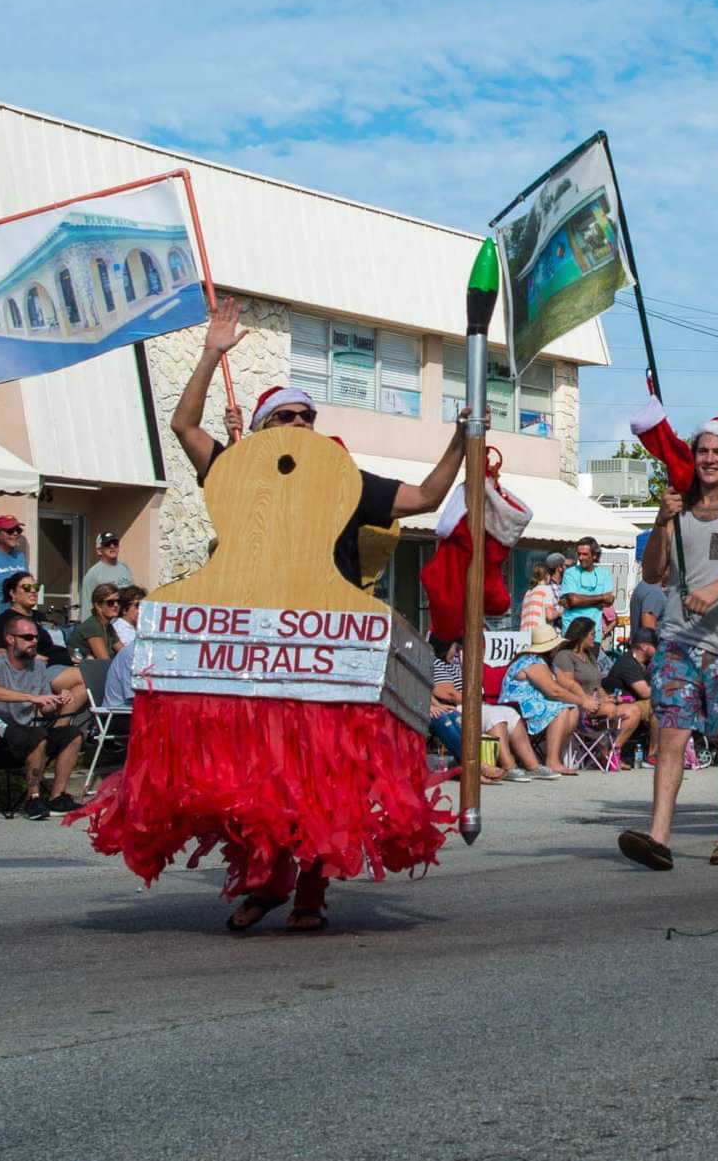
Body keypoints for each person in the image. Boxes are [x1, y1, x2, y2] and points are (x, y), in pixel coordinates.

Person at [163, 298, 482, 932]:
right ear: (263, 430)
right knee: (256, 778)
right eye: (286, 416)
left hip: (326, 652)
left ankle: (309, 889)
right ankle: (266, 880)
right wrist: (211, 352)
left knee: (320, 778)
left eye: (308, 415)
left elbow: (425, 497)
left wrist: (459, 439)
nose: (301, 423)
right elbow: (183, 426)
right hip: (255, 653)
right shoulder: (237, 473)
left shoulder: (342, 480)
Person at [619, 416, 718, 872]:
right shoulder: (679, 507)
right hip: (678, 642)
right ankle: (658, 837)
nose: (708, 459)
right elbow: (653, 572)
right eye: (702, 451)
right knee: (672, 732)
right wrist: (660, 521)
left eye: (717, 452)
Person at [0, 615, 91, 819]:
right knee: (37, 735)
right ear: (10, 639)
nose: (34, 641)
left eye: (36, 637)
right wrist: (31, 697)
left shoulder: (38, 666)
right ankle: (33, 798)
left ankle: (57, 796)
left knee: (72, 734)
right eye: (27, 637)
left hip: (28, 729)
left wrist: (58, 700)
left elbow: (45, 709)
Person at [496, 625, 589, 778]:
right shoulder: (531, 662)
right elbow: (554, 691)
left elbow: (566, 683)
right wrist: (582, 701)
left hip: (536, 703)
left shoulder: (547, 663)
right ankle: (552, 760)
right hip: (517, 706)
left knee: (572, 709)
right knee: (561, 709)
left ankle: (554, 756)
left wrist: (584, 698)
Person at [426, 640, 524, 783]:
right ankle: (478, 765)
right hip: (424, 708)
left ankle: (530, 765)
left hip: (442, 706)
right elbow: (445, 693)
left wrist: (436, 705)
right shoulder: (433, 663)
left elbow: (426, 691)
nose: (458, 650)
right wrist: (431, 706)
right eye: (456, 646)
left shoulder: (454, 663)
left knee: (454, 717)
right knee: (444, 719)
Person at [553, 616, 646, 759]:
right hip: (578, 704)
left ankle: (613, 752)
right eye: (592, 634)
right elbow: (567, 684)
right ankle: (605, 753)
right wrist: (587, 699)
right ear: (582, 635)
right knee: (611, 709)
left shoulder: (589, 656)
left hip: (596, 704)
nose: (595, 638)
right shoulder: (565, 656)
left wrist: (607, 697)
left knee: (634, 710)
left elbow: (597, 685)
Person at [604, 628, 658, 762]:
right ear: (644, 646)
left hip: (633, 703)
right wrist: (667, 690)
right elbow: (644, 692)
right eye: (655, 645)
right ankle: (654, 754)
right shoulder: (627, 662)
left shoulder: (645, 663)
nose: (658, 649)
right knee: (658, 706)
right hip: (621, 705)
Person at [559, 537, 616, 636]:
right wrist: (601, 598)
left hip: (594, 633)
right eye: (579, 554)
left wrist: (578, 601)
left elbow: (609, 601)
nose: (580, 558)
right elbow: (574, 600)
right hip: (571, 632)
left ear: (594, 555)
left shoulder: (604, 574)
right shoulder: (570, 573)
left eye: (585, 554)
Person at [80, 532, 133, 611]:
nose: (112, 546)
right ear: (99, 550)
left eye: (115, 544)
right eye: (107, 544)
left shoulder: (125, 568)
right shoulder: (93, 574)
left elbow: (132, 596)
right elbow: (87, 607)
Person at [78, 583, 124, 661]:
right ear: (98, 606)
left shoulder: (108, 626)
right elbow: (104, 661)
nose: (116, 605)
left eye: (118, 601)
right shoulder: (92, 625)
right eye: (110, 602)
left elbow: (124, 653)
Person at [519, 561, 560, 636]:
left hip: (525, 635)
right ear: (547, 576)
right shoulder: (546, 589)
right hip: (539, 636)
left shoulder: (528, 593)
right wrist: (560, 611)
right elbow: (549, 616)